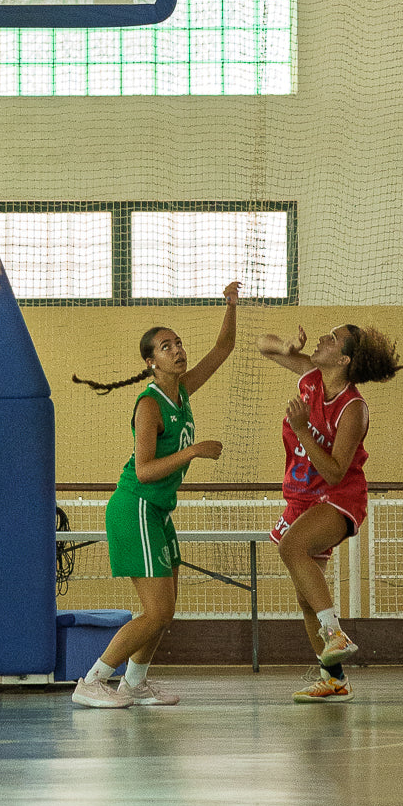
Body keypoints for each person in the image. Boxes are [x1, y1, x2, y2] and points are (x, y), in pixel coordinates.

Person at [70, 282, 240, 709]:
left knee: (165, 610)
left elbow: (223, 348)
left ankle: (134, 683)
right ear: (151, 362)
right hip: (137, 507)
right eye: (167, 347)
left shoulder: (180, 392)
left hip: (159, 512)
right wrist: (194, 451)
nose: (178, 350)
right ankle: (92, 681)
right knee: (157, 612)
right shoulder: (149, 406)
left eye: (179, 343)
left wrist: (231, 305)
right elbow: (144, 471)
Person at [258, 323, 403, 702]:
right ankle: (335, 678)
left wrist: (302, 429)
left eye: (333, 338)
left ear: (344, 359)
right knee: (307, 597)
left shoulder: (353, 408)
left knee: (291, 548)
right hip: (302, 498)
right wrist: (287, 344)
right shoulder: (310, 375)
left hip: (339, 496)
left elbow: (337, 471)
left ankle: (334, 632)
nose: (323, 338)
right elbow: (263, 344)